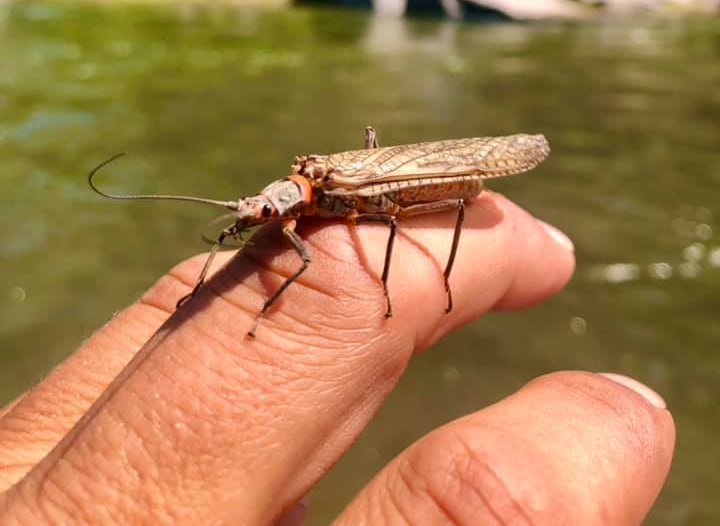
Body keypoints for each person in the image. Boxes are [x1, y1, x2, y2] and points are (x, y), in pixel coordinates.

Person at [0, 190, 674, 524]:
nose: (253, 219)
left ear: (287, 203)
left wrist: (376, 288)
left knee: (359, 241)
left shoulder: (329, 202)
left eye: (260, 213)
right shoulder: (287, 210)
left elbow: (355, 243)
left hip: (401, 186)